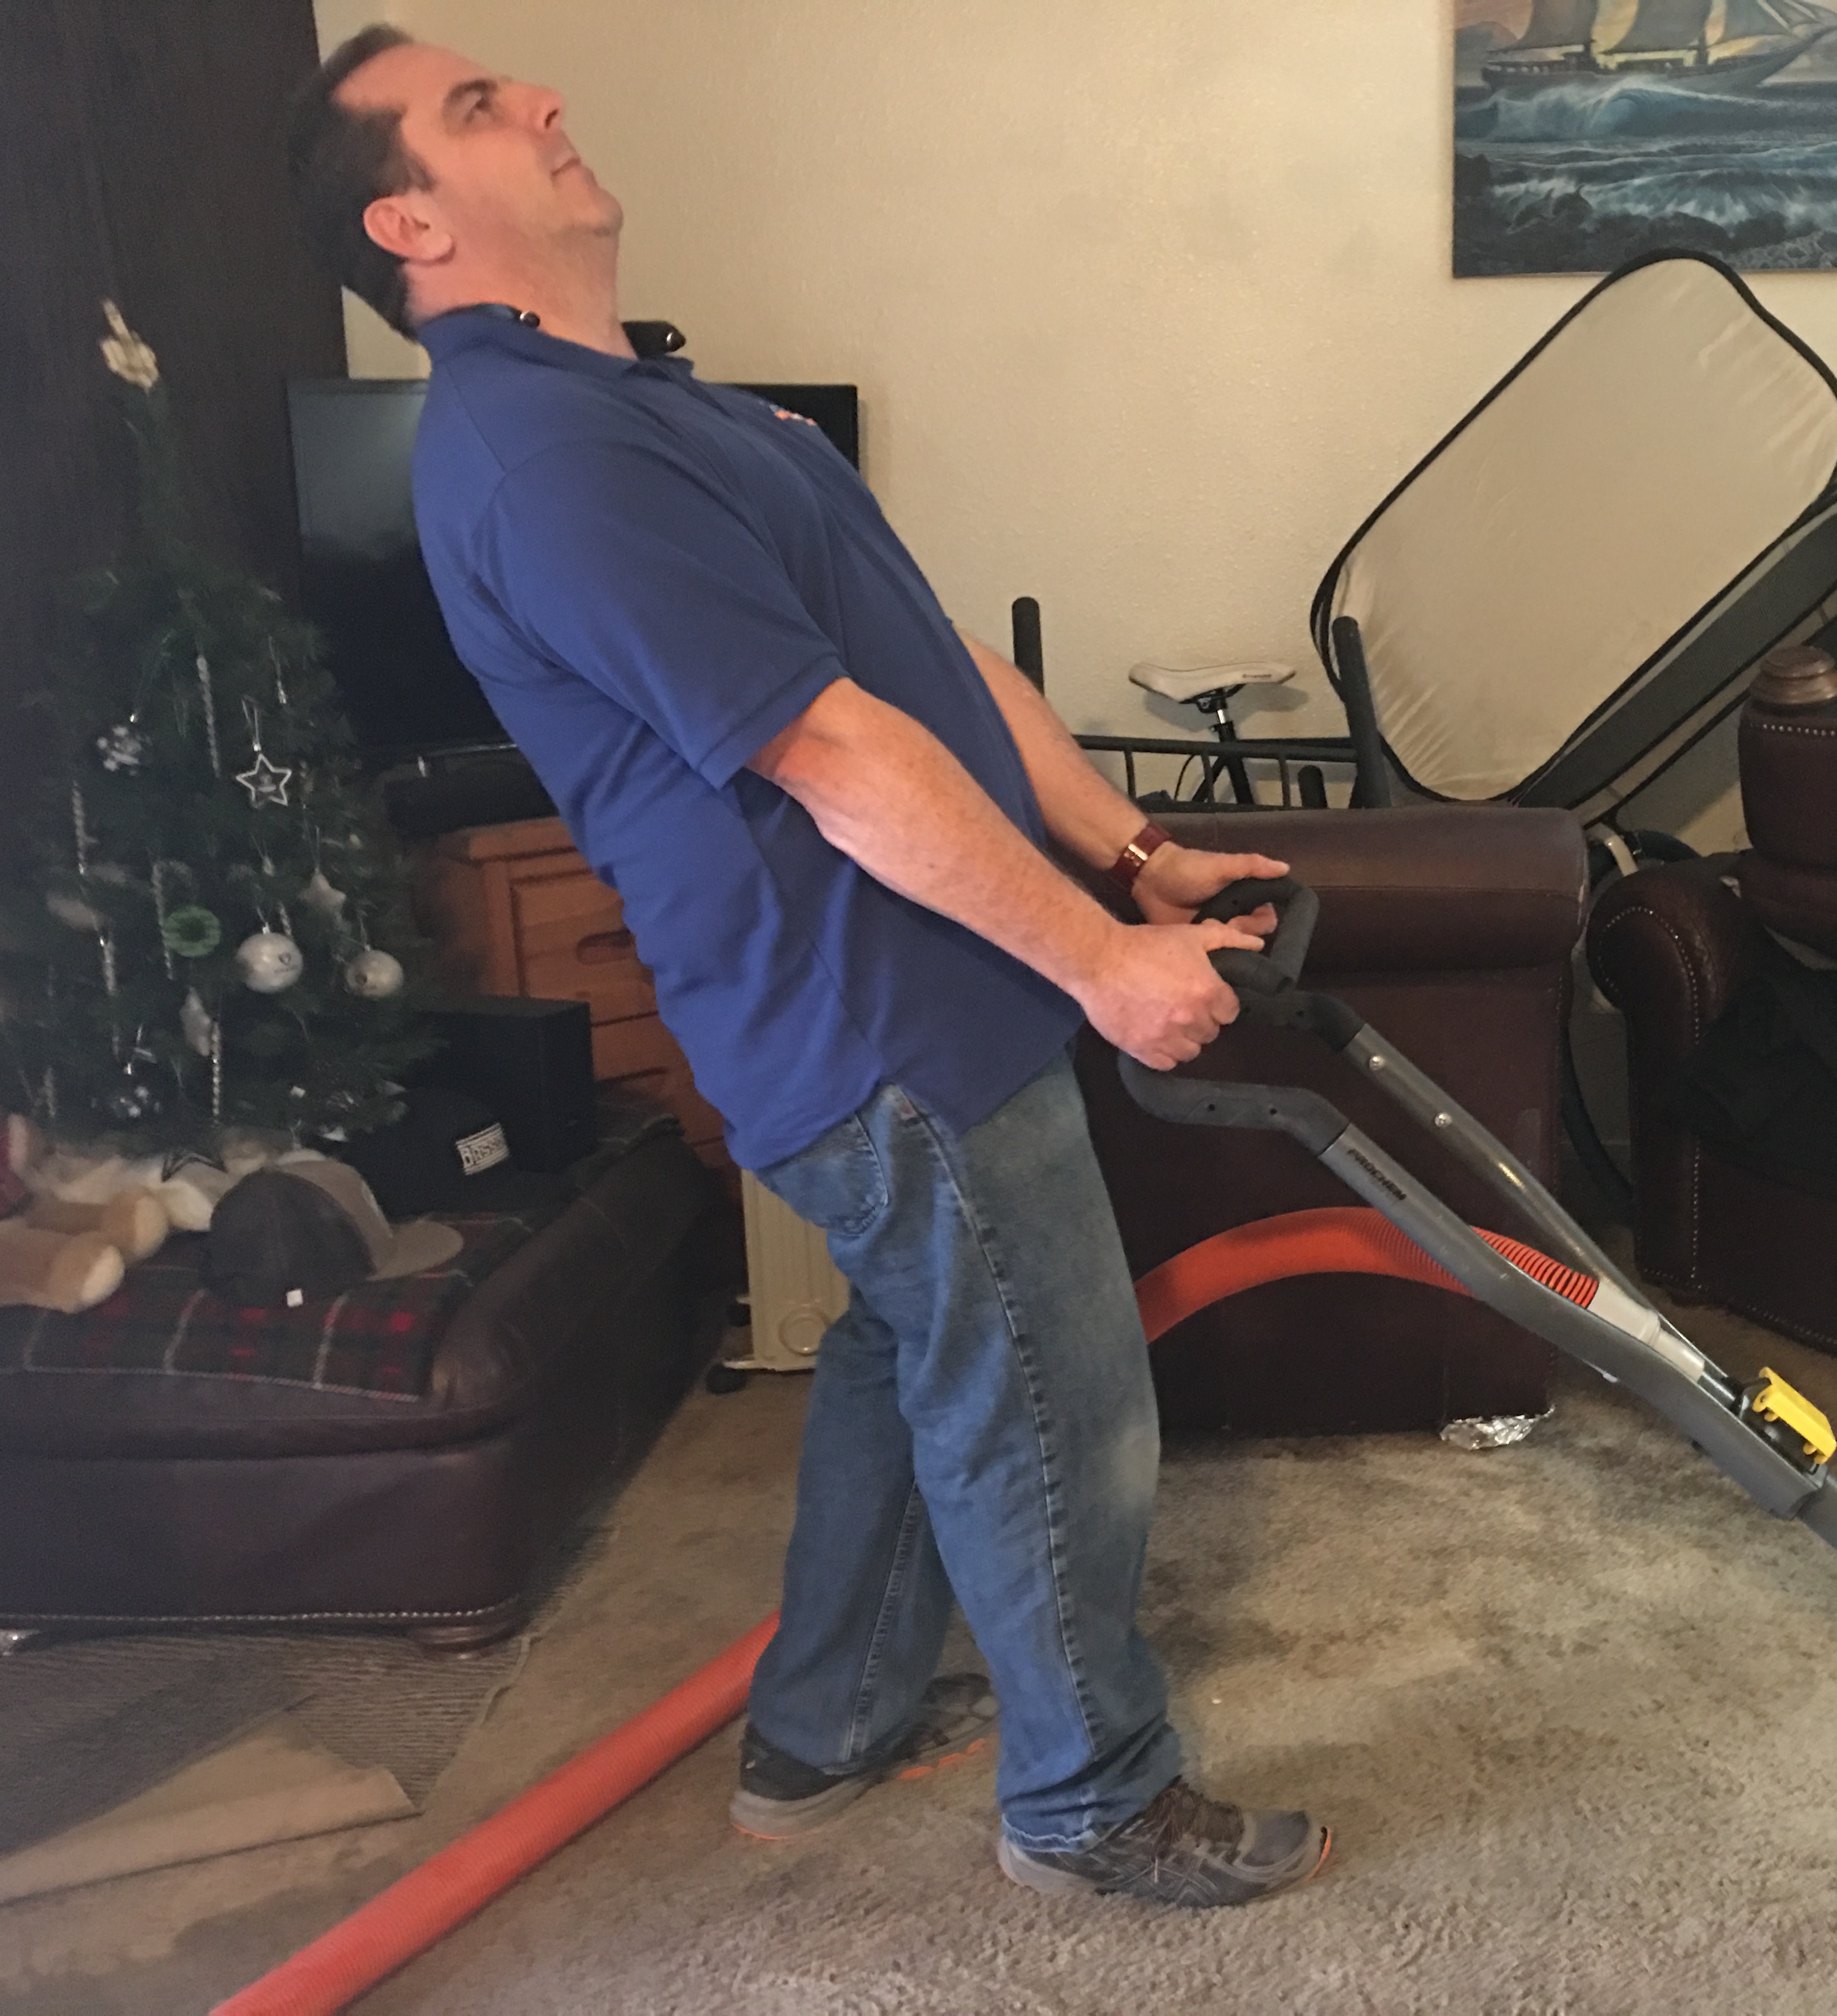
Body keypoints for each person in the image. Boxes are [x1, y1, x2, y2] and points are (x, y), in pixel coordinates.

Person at [285, 27, 1330, 1907]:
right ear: (408, 223)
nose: (542, 100)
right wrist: (1106, 965)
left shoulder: (665, 408)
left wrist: (1138, 857)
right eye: (476, 109)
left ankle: (824, 1726)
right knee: (1048, 1391)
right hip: (871, 1011)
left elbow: (937, 665)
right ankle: (1091, 1800)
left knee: (915, 1352)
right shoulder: (543, 457)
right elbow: (833, 756)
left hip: (928, 980)